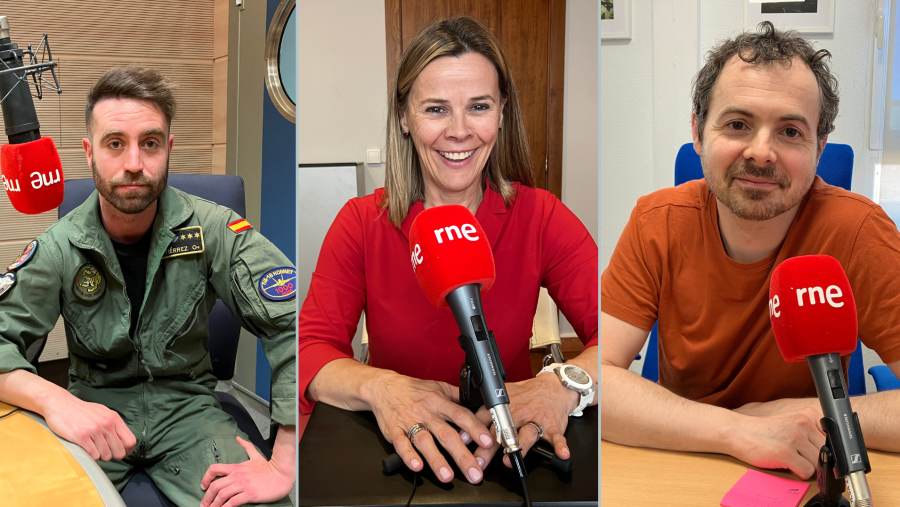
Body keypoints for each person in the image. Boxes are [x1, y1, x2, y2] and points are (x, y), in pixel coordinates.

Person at [298, 16, 598, 485]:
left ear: (501, 112)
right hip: (396, 453)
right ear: (404, 117)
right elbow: (310, 350)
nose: (459, 131)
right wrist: (381, 387)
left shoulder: (541, 216)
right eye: (436, 109)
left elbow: (617, 336)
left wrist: (560, 386)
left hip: (505, 451)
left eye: (478, 106)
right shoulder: (360, 222)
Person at [601, 22, 900, 480]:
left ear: (820, 148)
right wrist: (739, 430)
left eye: (791, 132)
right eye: (738, 124)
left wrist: (793, 411)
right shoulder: (655, 221)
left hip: (804, 471)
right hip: (682, 460)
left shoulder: (859, 232)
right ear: (700, 133)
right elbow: (600, 378)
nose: (761, 153)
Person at [0, 66, 296, 507]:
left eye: (150, 143)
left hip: (189, 412)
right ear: (89, 152)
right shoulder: (59, 247)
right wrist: (55, 401)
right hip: (93, 415)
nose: (134, 163)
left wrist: (286, 462)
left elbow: (296, 325)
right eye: (115, 143)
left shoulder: (215, 229)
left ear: (169, 148)